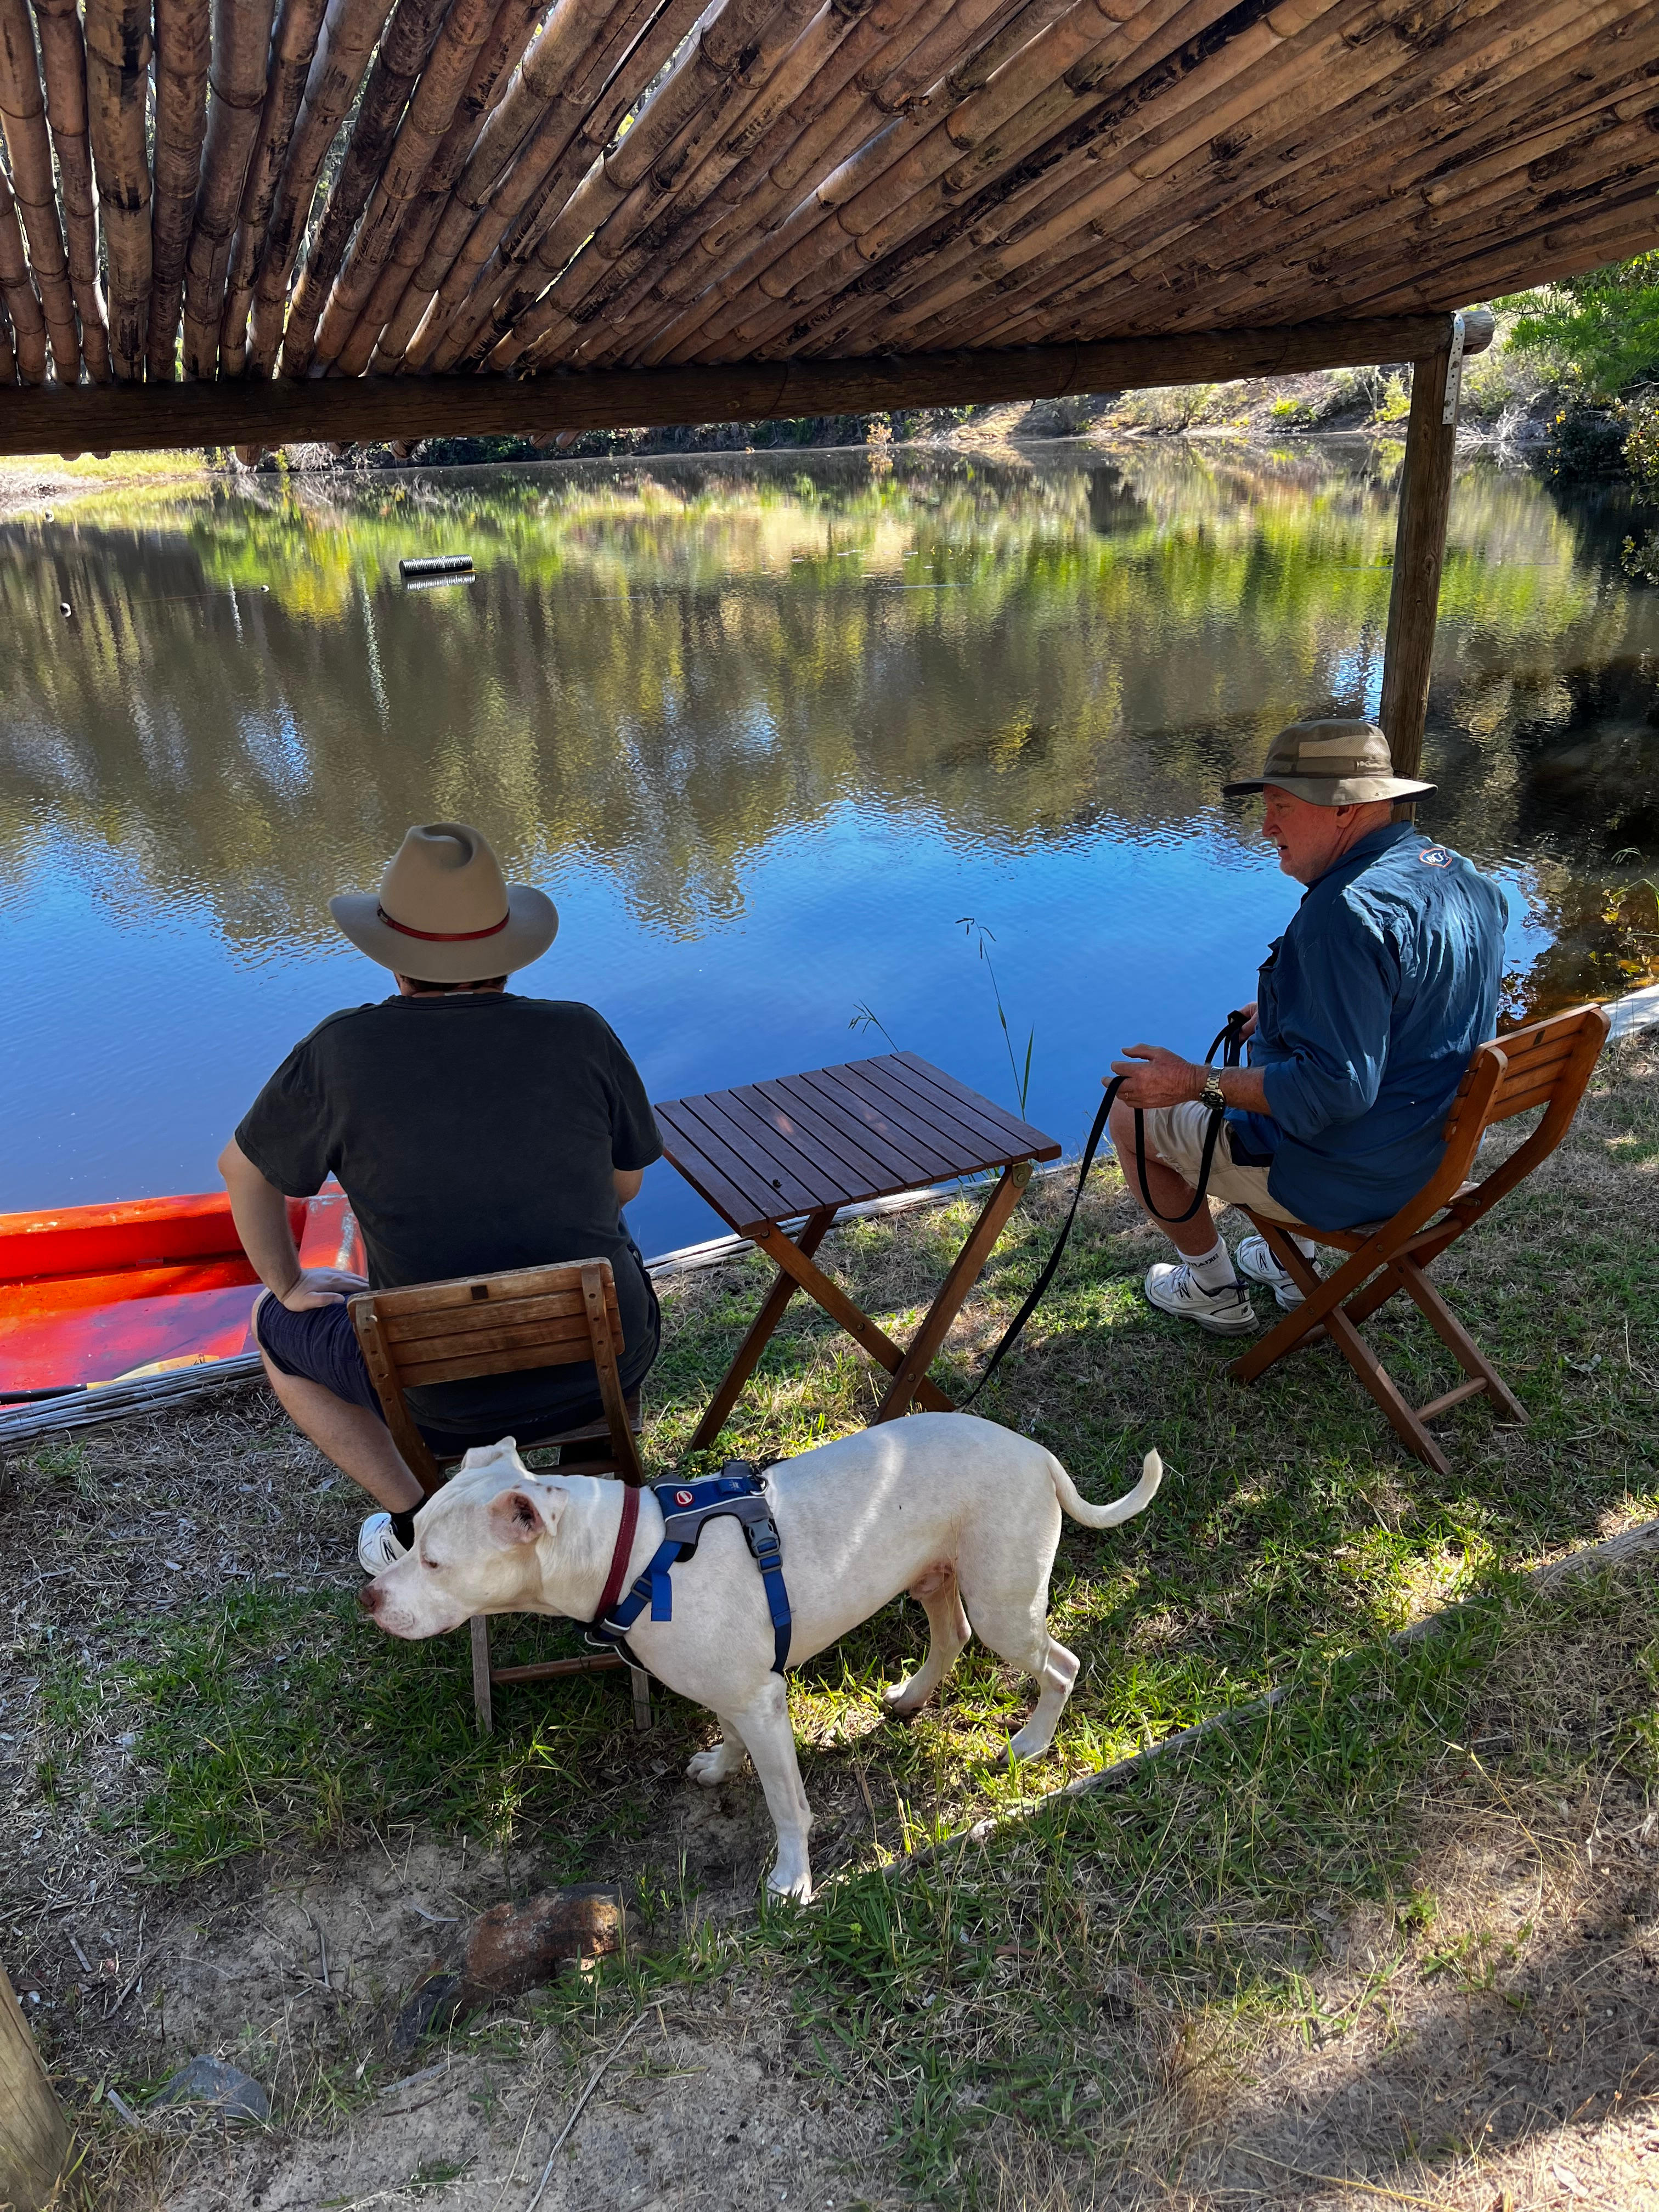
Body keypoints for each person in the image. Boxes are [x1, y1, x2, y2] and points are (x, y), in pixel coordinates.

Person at [219, 821, 663, 1570]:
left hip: (442, 1397)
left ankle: (416, 1520)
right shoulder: (580, 1034)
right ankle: (594, 1506)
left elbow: (244, 1171)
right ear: (505, 956)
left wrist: (289, 1283)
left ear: (395, 963)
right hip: (605, 1360)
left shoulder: (340, 1053)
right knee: (615, 1254)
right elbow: (626, 1184)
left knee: (273, 1329)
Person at [1107, 719, 1510, 1335]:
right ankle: (1283, 1263)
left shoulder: (1343, 913)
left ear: (1344, 810)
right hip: (1431, 1158)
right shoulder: (1461, 876)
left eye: (1280, 808)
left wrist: (1194, 1081)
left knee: (1125, 1112)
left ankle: (1211, 1287)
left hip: (1348, 1179)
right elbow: (1418, 1001)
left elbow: (1335, 1092)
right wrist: (1287, 1005)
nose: (1266, 827)